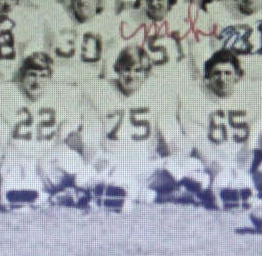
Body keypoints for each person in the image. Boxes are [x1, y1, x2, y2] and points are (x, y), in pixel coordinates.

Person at [81, 46, 205, 211]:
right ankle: (155, 196)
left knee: (191, 164)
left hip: (146, 166)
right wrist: (102, 164)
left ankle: (124, 193)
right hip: (112, 165)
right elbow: (90, 142)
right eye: (126, 70)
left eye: (137, 70)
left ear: (146, 74)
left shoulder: (157, 95)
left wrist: (178, 159)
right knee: (82, 177)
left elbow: (173, 137)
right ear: (117, 70)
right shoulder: (100, 93)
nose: (131, 75)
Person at [0, 52, 95, 210]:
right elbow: (0, 138)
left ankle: (93, 186)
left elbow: (69, 132)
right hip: (16, 160)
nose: (37, 81)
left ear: (50, 78)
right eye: (32, 75)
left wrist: (71, 136)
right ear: (22, 75)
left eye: (43, 76)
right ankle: (37, 192)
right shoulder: (6, 95)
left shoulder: (62, 95)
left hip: (46, 163)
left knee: (69, 155)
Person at [177, 50, 262, 209]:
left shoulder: (253, 98)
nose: (222, 78)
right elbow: (198, 142)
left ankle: (227, 187)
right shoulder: (195, 99)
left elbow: (257, 137)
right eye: (216, 73)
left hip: (243, 162)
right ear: (207, 76)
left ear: (238, 75)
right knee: (186, 168)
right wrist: (217, 169)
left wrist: (245, 167)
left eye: (228, 73)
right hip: (210, 164)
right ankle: (244, 188)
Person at [115, 0, 212, 87]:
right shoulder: (131, 18)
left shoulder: (187, 15)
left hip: (181, 81)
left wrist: (202, 78)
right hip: (148, 83)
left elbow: (200, 52)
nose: (154, 3)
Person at [44, 0, 117, 85]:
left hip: (91, 85)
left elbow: (109, 68)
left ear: (98, 1)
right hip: (58, 84)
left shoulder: (107, 26)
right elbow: (45, 55)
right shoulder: (58, 20)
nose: (82, 1)